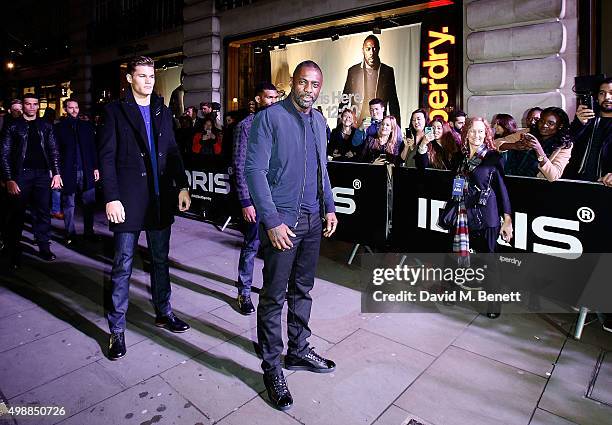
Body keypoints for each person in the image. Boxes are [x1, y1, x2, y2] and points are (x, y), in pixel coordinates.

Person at [245, 60, 338, 411]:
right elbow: (253, 170)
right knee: (272, 296)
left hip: (313, 220)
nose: (309, 89)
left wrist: (329, 206)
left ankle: (298, 350)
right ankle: (272, 367)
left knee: (303, 290)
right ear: (293, 83)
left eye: (315, 84)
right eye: (304, 82)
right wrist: (270, 221)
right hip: (283, 223)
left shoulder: (319, 122)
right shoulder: (268, 119)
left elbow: (322, 169)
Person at [98, 56, 192, 360]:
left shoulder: (163, 112)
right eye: (142, 75)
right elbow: (107, 157)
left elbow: (174, 151)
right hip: (127, 200)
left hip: (160, 198)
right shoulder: (114, 112)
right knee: (122, 264)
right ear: (130, 79)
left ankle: (164, 312)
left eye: (152, 75)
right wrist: (111, 197)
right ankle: (117, 330)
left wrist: (182, 185)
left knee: (160, 260)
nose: (149, 80)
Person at [449, 117, 513, 318]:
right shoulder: (458, 158)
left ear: (486, 134)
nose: (477, 135)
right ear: (466, 133)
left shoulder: (493, 157)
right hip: (464, 213)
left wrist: (508, 219)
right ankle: (454, 291)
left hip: (487, 216)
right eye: (473, 131)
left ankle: (493, 305)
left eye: (481, 131)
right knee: (459, 254)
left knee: (489, 261)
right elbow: (455, 186)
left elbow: (503, 190)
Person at [1, 93, 63, 268]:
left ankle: (44, 247)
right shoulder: (13, 126)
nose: (32, 107)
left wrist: (57, 173)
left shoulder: (46, 125)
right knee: (17, 214)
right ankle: (14, 252)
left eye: (35, 104)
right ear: (23, 106)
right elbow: (4, 154)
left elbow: (54, 150)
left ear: (38, 106)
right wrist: (9, 179)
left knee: (43, 212)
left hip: (43, 175)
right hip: (21, 175)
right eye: (28, 104)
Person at [232, 82, 279, 315]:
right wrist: (245, 201)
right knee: (251, 245)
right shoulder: (245, 127)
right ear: (258, 99)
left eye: (275, 97)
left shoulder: (281, 124)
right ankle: (244, 291)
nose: (272, 101)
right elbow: (240, 166)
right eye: (268, 97)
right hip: (254, 197)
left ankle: (270, 288)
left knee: (275, 245)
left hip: (277, 199)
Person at [55, 98, 100, 244]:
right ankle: (70, 233)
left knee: (89, 204)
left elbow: (93, 148)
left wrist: (96, 167)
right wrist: (57, 172)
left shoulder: (86, 126)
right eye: (70, 107)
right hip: (68, 171)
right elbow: (56, 151)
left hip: (87, 170)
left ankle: (89, 232)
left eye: (76, 107)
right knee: (69, 204)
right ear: (65, 109)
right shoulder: (60, 128)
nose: (74, 110)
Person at [497, 107, 573, 182]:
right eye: (542, 121)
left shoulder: (564, 146)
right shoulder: (528, 132)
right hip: (510, 178)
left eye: (550, 123)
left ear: (560, 126)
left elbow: (553, 176)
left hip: (536, 187)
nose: (544, 126)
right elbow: (495, 143)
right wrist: (514, 146)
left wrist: (539, 150)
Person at [340, 35, 401, 126]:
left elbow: (393, 103)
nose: (371, 52)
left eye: (374, 48)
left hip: (379, 123)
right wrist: (339, 126)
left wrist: (396, 129)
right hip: (357, 122)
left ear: (378, 49)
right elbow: (345, 99)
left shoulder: (387, 71)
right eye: (368, 49)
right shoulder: (353, 71)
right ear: (363, 50)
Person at [564, 77, 612, 186]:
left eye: (611, 93)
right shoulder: (587, 120)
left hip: (605, 185)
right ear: (596, 97)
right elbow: (564, 143)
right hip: (575, 182)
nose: (607, 97)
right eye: (602, 93)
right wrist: (579, 123)